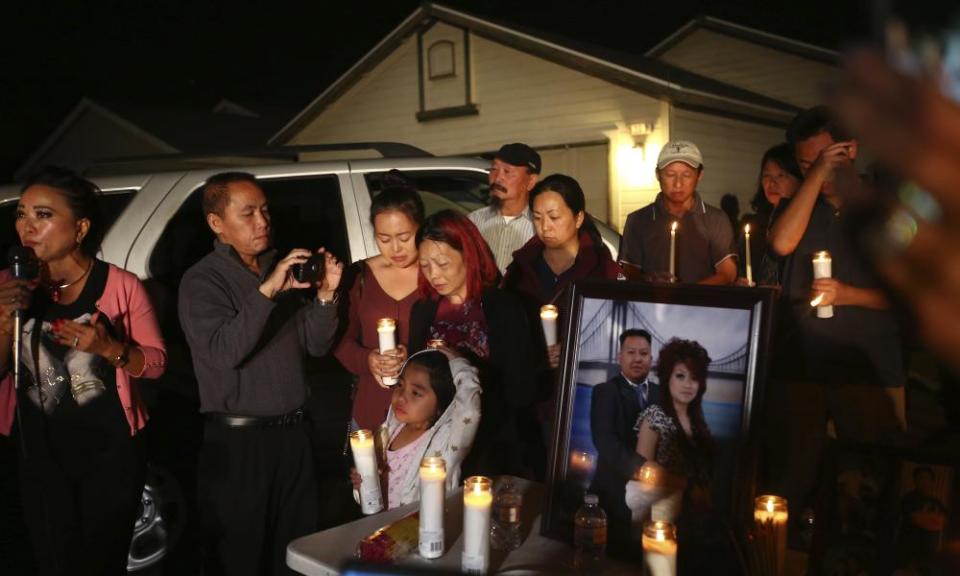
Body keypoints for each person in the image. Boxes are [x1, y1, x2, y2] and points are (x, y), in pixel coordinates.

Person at [0, 166, 167, 576]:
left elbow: (157, 363)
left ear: (80, 227)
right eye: (22, 214)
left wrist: (110, 348)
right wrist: (4, 317)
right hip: (36, 453)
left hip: (109, 454)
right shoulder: (9, 285)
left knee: (102, 562)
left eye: (43, 215)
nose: (27, 226)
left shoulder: (120, 286)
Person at [178, 171, 343, 576]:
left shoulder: (276, 266)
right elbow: (224, 352)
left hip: (294, 437)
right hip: (239, 444)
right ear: (217, 224)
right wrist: (267, 291)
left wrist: (325, 296)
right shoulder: (202, 280)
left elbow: (315, 345)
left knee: (296, 551)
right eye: (247, 213)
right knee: (241, 554)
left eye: (265, 210)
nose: (262, 221)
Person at [769, 105, 908, 432]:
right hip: (804, 370)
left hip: (872, 371)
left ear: (852, 149)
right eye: (807, 164)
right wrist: (816, 174)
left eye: (828, 158)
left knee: (870, 470)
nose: (820, 171)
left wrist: (848, 295)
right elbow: (781, 245)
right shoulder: (796, 204)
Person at [409, 210, 538, 478]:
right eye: (425, 265)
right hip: (436, 447)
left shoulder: (503, 308)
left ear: (468, 256)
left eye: (442, 264)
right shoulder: (423, 310)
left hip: (492, 445)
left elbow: (521, 391)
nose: (434, 274)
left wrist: (463, 364)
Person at [503, 173, 620, 369]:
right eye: (537, 218)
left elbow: (621, 336)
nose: (545, 227)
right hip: (532, 387)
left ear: (579, 218)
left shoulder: (603, 270)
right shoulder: (519, 270)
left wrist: (575, 350)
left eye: (554, 217)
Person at [335, 170, 422, 430]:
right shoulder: (359, 276)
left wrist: (415, 354)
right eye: (384, 239)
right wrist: (368, 359)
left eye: (404, 238)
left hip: (426, 414)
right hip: (372, 409)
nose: (395, 249)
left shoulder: (436, 274)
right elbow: (340, 340)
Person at [350, 347, 481, 509]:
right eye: (400, 385)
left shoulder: (445, 443)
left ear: (441, 404)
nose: (402, 397)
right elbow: (371, 496)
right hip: (383, 527)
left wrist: (459, 365)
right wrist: (363, 485)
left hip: (420, 530)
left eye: (416, 393)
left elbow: (471, 411)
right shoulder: (388, 433)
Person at [619, 140, 737, 285]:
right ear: (658, 174)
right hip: (652, 305)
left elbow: (728, 273)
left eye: (686, 175)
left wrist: (687, 295)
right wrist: (649, 281)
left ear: (699, 175)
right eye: (670, 174)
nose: (678, 184)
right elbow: (626, 273)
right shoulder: (638, 220)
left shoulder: (715, 219)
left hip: (702, 305)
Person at [589, 329, 656, 553]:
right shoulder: (606, 391)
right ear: (620, 357)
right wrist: (646, 470)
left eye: (644, 353)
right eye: (631, 352)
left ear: (651, 359)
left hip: (657, 494)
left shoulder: (662, 393)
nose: (638, 358)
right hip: (614, 492)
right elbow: (604, 441)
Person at [635, 338, 714, 512]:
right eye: (680, 376)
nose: (688, 385)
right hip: (663, 515)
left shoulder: (697, 421)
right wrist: (689, 487)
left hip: (699, 515)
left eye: (694, 378)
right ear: (667, 377)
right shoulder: (654, 417)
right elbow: (642, 474)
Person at [468, 143, 541, 274]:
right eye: (494, 169)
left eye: (507, 171)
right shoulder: (473, 222)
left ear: (530, 181)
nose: (498, 178)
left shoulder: (540, 226)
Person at [739, 143, 802, 286]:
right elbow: (742, 265)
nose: (772, 183)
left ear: (799, 179)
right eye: (766, 175)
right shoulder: (754, 223)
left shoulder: (807, 223)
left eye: (781, 175)